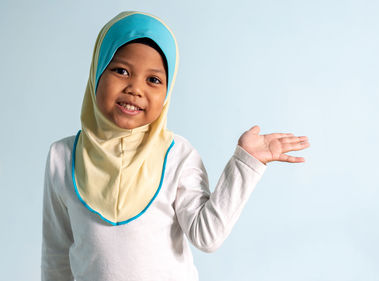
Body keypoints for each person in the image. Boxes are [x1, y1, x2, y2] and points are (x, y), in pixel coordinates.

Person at [41, 11, 310, 281]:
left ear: (167, 92)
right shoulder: (62, 158)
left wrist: (245, 162)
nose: (135, 88)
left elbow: (207, 236)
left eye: (153, 80)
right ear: (97, 71)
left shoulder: (177, 156)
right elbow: (56, 254)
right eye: (121, 71)